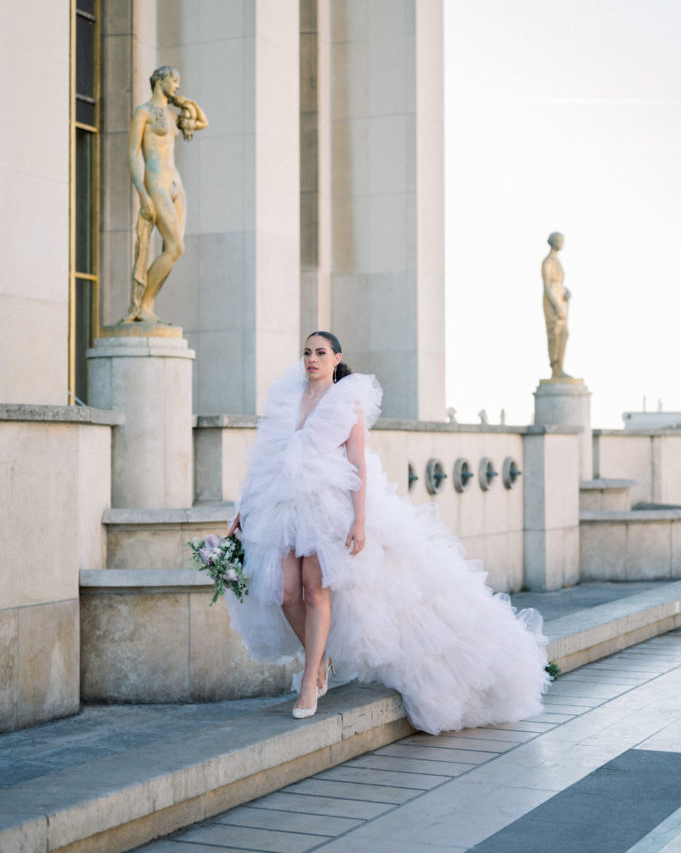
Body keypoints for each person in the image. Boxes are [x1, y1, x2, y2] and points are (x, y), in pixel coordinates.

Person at [226, 331, 549, 733]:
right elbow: (265, 459)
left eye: (320, 353)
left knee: (316, 589)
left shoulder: (348, 402)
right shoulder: (286, 397)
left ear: (336, 358)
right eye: (307, 352)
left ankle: (309, 681)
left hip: (328, 507)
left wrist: (359, 520)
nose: (312, 359)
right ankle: (321, 657)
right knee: (285, 592)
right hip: (281, 505)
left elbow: (358, 463)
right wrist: (244, 508)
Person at [121, 66, 208, 324]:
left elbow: (203, 122)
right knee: (175, 247)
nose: (177, 86)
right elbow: (132, 153)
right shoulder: (144, 112)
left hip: (176, 185)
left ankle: (146, 307)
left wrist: (185, 103)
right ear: (160, 80)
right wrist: (142, 194)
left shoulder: (171, 116)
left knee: (175, 249)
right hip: (156, 183)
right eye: (174, 80)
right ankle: (141, 305)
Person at [542, 232, 572, 380]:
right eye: (559, 240)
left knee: (564, 333)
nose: (561, 243)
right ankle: (556, 368)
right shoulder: (547, 262)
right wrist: (556, 306)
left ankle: (560, 367)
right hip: (552, 300)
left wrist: (566, 292)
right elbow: (547, 286)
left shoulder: (558, 262)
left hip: (561, 298)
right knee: (554, 334)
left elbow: (560, 284)